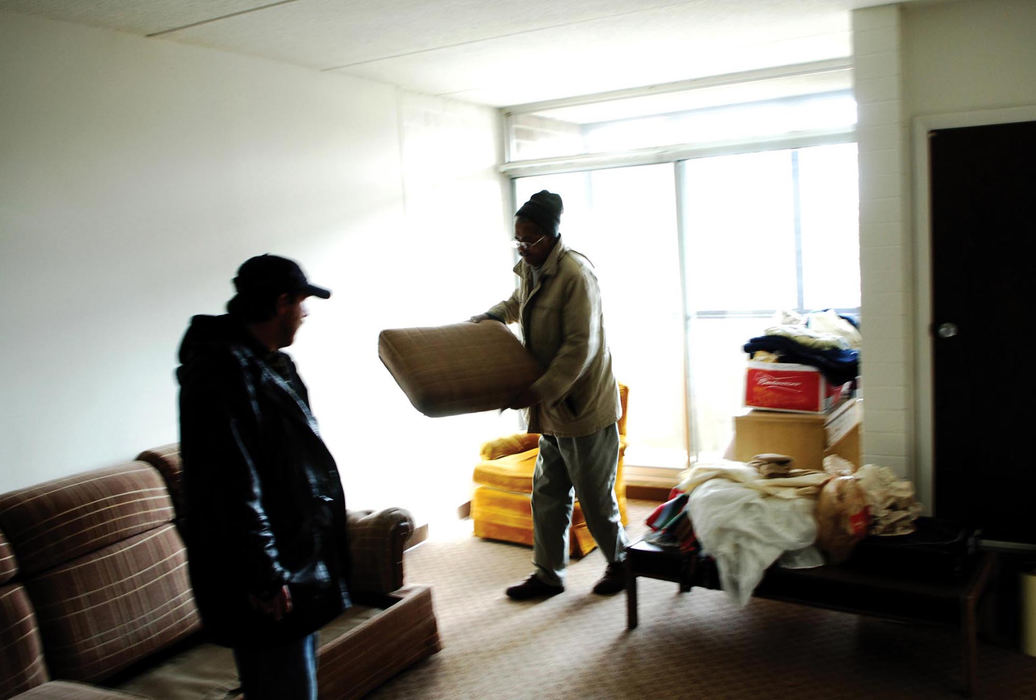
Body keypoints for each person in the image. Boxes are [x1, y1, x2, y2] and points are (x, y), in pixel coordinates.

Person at [177, 254, 349, 699]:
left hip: (291, 557)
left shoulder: (268, 363)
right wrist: (265, 575)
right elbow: (230, 487)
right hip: (263, 573)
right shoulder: (221, 373)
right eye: (302, 303)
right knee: (283, 688)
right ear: (282, 302)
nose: (306, 314)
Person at [472, 190, 629, 600]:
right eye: (517, 240)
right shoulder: (531, 267)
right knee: (548, 494)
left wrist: (536, 392)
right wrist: (489, 318)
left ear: (552, 235)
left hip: (582, 407)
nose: (523, 248)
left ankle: (623, 564)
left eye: (530, 240)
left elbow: (581, 348)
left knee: (595, 499)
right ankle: (548, 575)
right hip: (551, 408)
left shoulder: (577, 276)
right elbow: (517, 303)